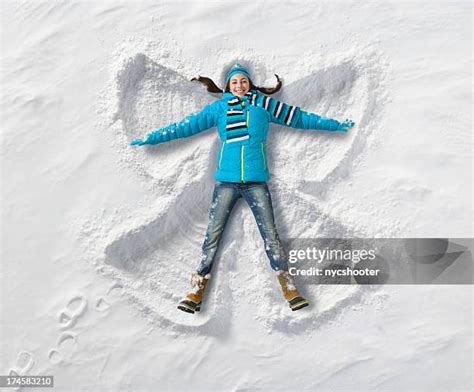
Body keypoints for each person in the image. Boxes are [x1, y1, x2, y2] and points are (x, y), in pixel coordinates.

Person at [131, 63, 355, 314]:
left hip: (256, 182)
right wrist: (153, 138)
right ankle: (196, 290)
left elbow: (300, 117)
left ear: (250, 84)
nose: (240, 86)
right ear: (228, 86)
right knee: (212, 236)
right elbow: (186, 126)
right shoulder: (219, 109)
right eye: (235, 82)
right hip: (226, 182)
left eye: (244, 81)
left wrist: (334, 125)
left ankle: (289, 286)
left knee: (271, 235)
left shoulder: (263, 105)